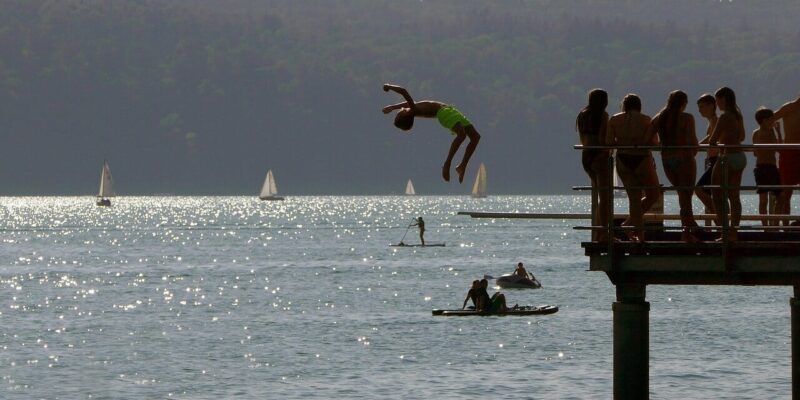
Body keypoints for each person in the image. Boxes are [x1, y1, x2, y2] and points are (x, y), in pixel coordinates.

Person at [382, 83, 481, 183]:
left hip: (451, 110)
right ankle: (447, 163)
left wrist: (392, 107)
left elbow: (407, 103)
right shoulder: (414, 109)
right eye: (397, 115)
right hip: (444, 113)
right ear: (403, 115)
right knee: (462, 135)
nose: (398, 112)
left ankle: (462, 165)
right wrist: (389, 86)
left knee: (475, 137)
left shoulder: (413, 108)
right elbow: (403, 91)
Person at [607, 94, 660, 241]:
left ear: (624, 105)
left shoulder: (614, 120)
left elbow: (609, 141)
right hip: (641, 157)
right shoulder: (646, 120)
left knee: (634, 199)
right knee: (654, 193)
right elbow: (654, 142)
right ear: (639, 105)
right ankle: (633, 228)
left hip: (623, 158)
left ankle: (636, 232)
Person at [649, 90, 700, 242]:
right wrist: (692, 154)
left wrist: (661, 146)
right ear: (683, 104)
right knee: (686, 197)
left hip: (667, 160)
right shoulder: (687, 118)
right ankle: (687, 232)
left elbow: (648, 138)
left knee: (682, 196)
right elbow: (693, 142)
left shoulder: (659, 118)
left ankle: (689, 227)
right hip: (684, 157)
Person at [709, 87, 747, 241]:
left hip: (728, 157)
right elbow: (742, 136)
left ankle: (725, 231)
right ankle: (733, 232)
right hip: (740, 157)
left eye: (717, 100)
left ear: (723, 99)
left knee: (716, 194)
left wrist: (720, 141)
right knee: (734, 196)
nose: (717, 104)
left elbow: (713, 139)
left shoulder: (724, 117)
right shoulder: (738, 115)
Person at [576, 89, 612, 242]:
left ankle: (599, 231)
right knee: (605, 198)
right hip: (599, 156)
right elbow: (604, 138)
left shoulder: (582, 115)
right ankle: (602, 233)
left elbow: (583, 138)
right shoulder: (603, 115)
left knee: (600, 195)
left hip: (586, 156)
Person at [765, 95, 800, 226]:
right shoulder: (788, 108)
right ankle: (784, 227)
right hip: (789, 152)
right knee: (786, 192)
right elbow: (768, 121)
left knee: (786, 192)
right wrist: (776, 137)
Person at [752, 107, 782, 227]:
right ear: (764, 120)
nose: (773, 121)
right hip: (766, 167)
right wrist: (778, 132)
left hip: (765, 167)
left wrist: (777, 131)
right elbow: (778, 148)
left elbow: (755, 152)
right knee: (769, 199)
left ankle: (771, 225)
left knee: (775, 198)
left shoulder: (757, 133)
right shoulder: (767, 132)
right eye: (771, 119)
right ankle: (769, 226)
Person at [694, 94, 719, 217]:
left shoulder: (715, 121)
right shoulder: (711, 122)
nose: (699, 110)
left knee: (700, 189)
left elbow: (713, 138)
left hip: (716, 160)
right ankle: (720, 221)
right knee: (716, 194)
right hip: (711, 160)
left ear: (712, 105)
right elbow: (710, 138)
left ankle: (719, 219)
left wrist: (697, 146)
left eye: (702, 107)